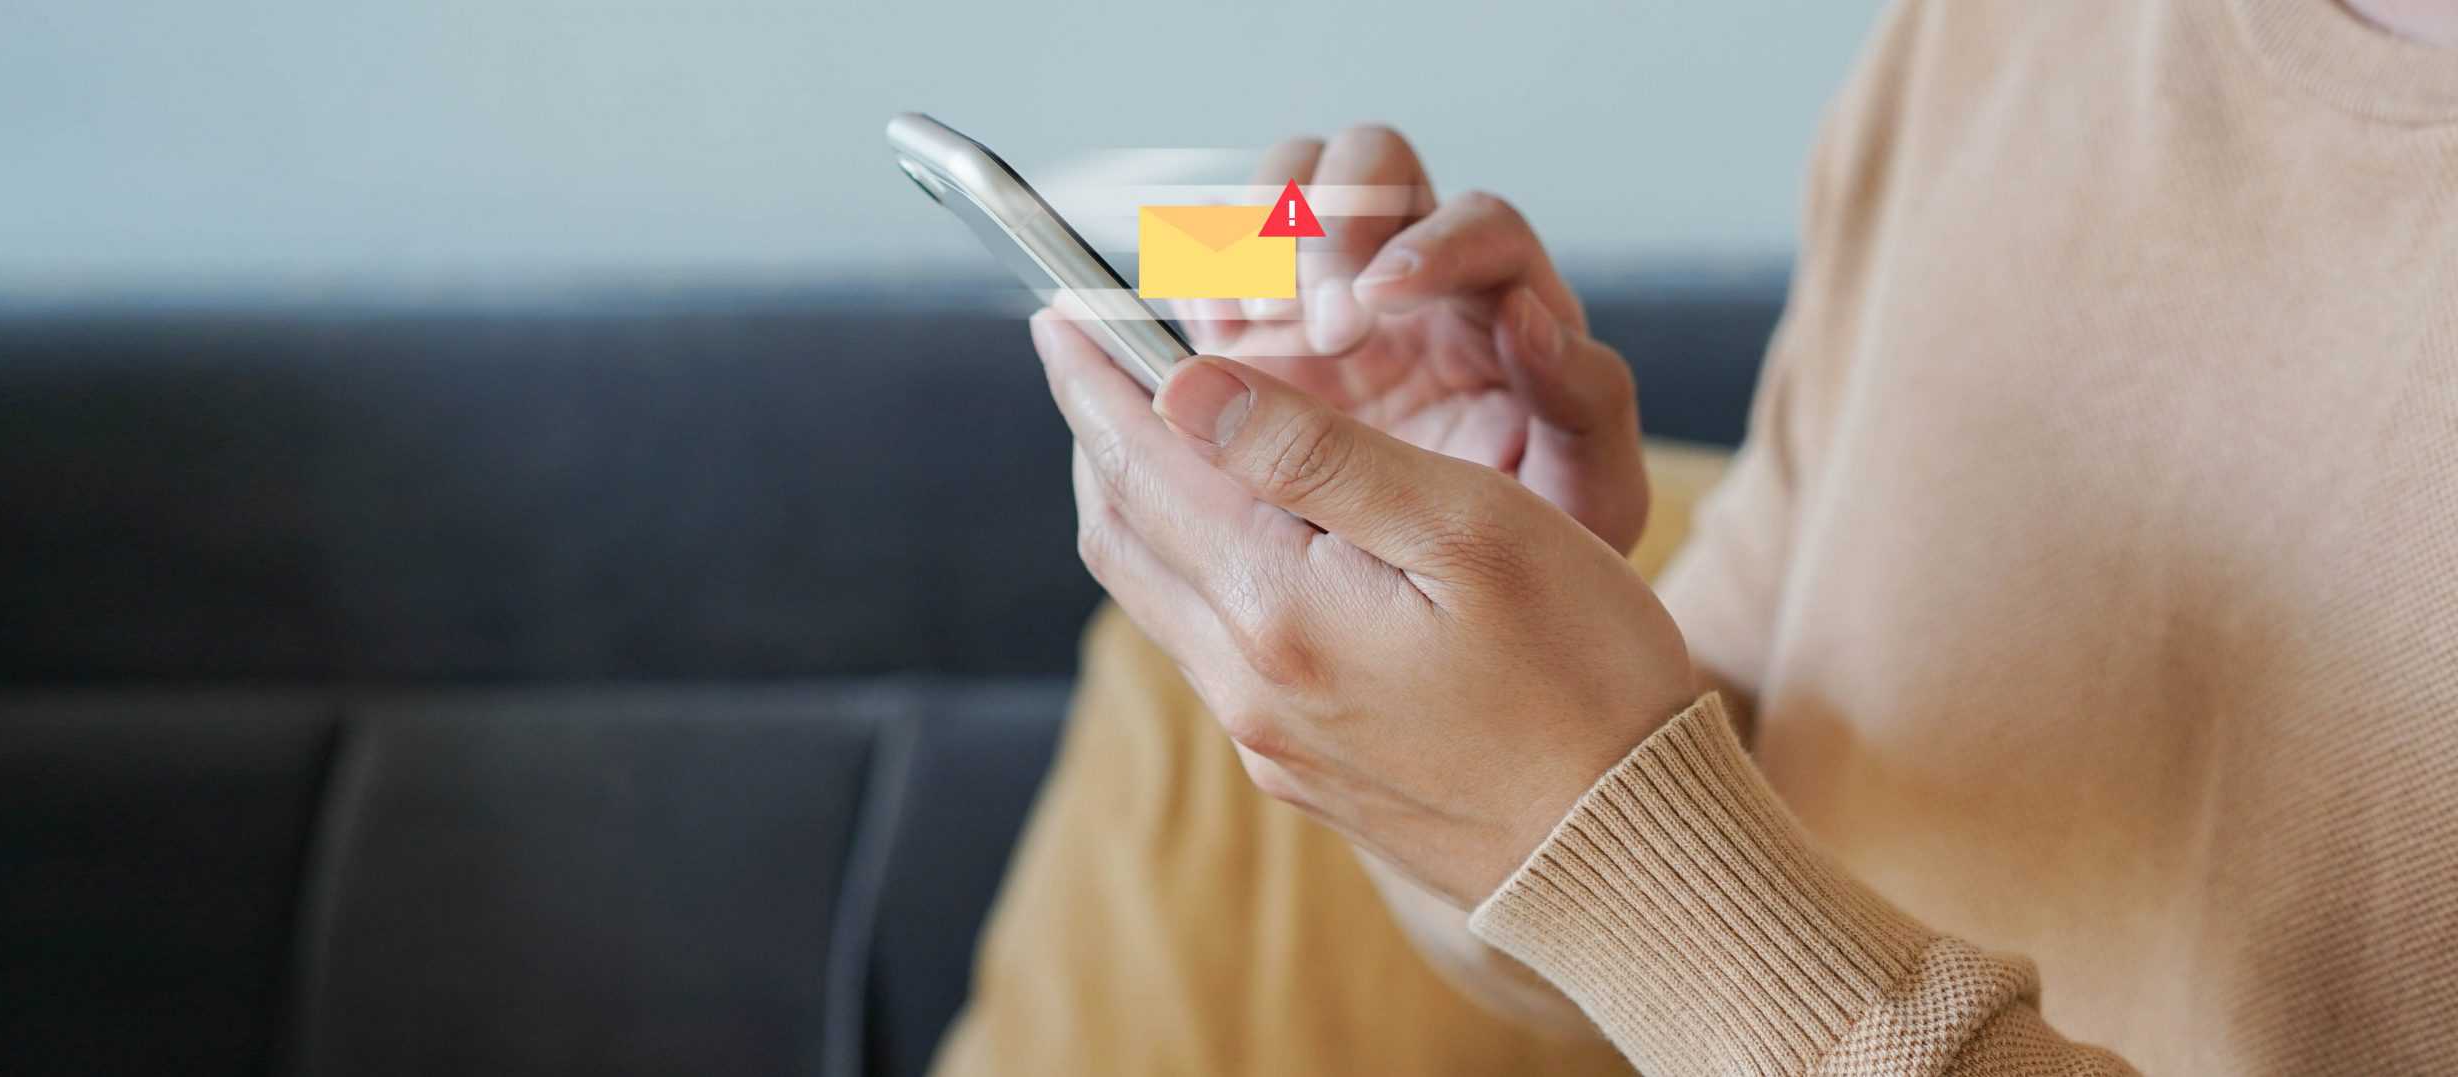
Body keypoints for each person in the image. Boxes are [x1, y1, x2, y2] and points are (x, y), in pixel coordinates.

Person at [938, 0, 2458, 1073]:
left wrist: (1603, 828)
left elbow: (1680, 893)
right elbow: (1706, 883)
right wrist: (1496, 630)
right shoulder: (1999, 32)